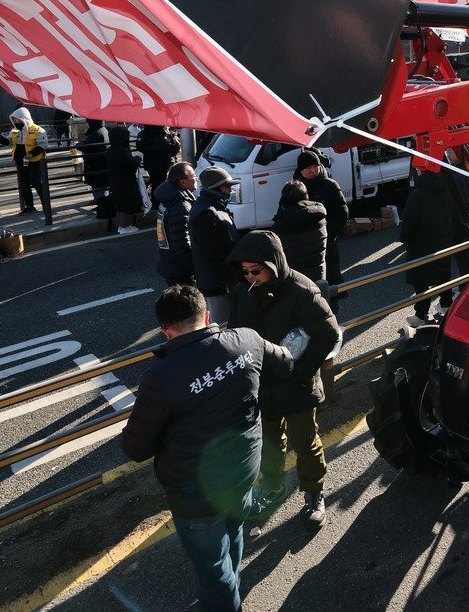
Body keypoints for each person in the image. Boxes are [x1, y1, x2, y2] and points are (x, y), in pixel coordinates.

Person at [121, 285, 294, 612]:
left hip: (195, 493)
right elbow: (284, 363)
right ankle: (230, 588)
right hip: (243, 469)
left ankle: (226, 602)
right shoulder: (246, 340)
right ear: (207, 316)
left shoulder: (162, 378)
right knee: (233, 530)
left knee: (213, 569)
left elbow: (135, 448)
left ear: (165, 330)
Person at [226, 230, 339, 531]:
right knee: (269, 444)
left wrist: (301, 373)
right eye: (245, 271)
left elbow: (328, 333)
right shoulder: (242, 292)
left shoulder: (302, 290)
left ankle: (314, 494)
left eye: (256, 270)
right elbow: (236, 332)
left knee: (306, 442)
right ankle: (272, 488)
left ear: (273, 263)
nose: (250, 276)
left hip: (297, 385)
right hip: (262, 386)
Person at [400, 167, 461, 323]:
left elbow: (410, 222)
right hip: (443, 239)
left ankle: (421, 314)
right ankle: (446, 304)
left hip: (421, 242)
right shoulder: (445, 190)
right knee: (442, 274)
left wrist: (404, 238)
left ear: (421, 173)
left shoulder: (417, 195)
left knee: (420, 279)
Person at [190, 166, 241, 324]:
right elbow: (212, 255)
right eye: (227, 187)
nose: (229, 191)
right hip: (216, 285)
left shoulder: (214, 206)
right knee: (222, 327)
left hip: (220, 281)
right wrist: (229, 279)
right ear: (215, 188)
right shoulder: (206, 213)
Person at [293, 149, 348, 290]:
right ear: (300, 170)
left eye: (314, 167)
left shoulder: (330, 185)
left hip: (326, 243)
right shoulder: (294, 188)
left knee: (331, 282)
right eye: (308, 168)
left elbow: (342, 214)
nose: (312, 170)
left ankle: (333, 310)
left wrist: (327, 236)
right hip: (303, 246)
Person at [270, 181, 328, 284]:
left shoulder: (281, 225)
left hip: (295, 280)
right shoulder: (319, 216)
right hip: (319, 275)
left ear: (284, 200)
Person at [0, 108, 49, 215]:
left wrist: (32, 153)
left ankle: (46, 205)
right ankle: (29, 206)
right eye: (14, 120)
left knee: (36, 182)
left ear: (24, 119)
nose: (15, 122)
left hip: (35, 160)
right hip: (20, 160)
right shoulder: (15, 131)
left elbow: (43, 145)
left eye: (17, 120)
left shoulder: (38, 130)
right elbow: (7, 142)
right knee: (24, 184)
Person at [155, 162, 197, 287]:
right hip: (180, 268)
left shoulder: (167, 200)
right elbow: (181, 242)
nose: (196, 178)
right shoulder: (180, 206)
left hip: (169, 261)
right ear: (183, 182)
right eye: (193, 175)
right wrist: (194, 263)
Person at [107, 125, 145, 234]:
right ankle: (124, 226)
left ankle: (121, 226)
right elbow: (132, 163)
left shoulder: (111, 149)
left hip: (115, 179)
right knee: (125, 204)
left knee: (120, 204)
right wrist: (138, 158)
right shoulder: (121, 150)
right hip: (125, 181)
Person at [73, 119, 112, 221]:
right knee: (101, 187)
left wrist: (78, 145)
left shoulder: (96, 134)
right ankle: (100, 203)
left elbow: (88, 147)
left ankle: (102, 205)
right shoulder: (103, 130)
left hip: (97, 165)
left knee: (99, 187)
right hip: (102, 164)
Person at [138, 126, 182, 203]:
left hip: (157, 163)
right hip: (159, 164)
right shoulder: (158, 135)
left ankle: (157, 201)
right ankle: (157, 202)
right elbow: (170, 150)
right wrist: (175, 145)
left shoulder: (145, 134)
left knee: (158, 182)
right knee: (159, 183)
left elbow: (140, 146)